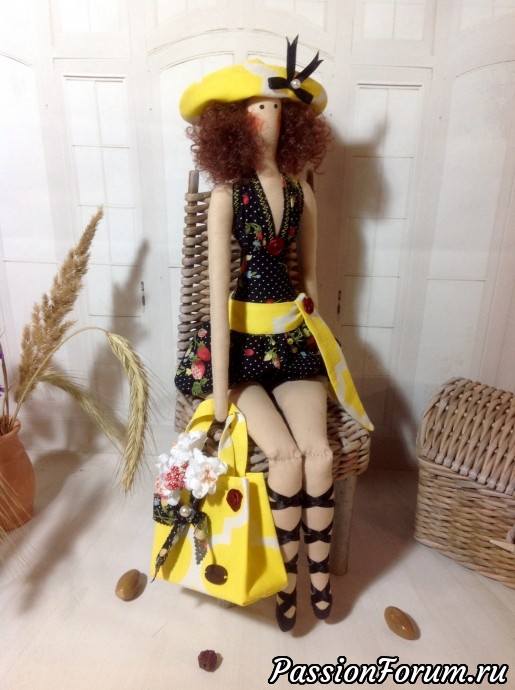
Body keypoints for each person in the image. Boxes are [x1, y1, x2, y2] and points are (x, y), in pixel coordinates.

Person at [175, 37, 372, 631]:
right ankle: (285, 586)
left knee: (317, 454)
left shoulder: (300, 191)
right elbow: (217, 295)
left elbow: (309, 279)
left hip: (291, 343)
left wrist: (314, 326)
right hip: (239, 350)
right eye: (259, 107)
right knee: (283, 458)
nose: (270, 117)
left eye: (279, 108)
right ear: (233, 122)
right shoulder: (226, 196)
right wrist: (218, 397)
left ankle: (318, 581)